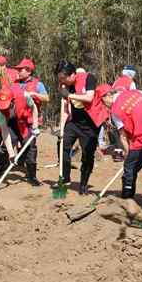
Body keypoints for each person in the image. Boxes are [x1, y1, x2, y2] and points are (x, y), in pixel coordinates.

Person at [99, 85, 142, 205]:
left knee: (129, 169)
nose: (103, 104)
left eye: (102, 101)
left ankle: (127, 200)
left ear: (108, 96)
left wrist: (128, 154)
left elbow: (123, 136)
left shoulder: (115, 111)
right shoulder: (136, 92)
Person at [55, 60, 109, 195]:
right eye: (59, 78)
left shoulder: (89, 78)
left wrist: (69, 94)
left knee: (87, 155)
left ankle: (83, 185)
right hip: (75, 122)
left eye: (63, 78)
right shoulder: (64, 85)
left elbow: (89, 98)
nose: (62, 81)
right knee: (62, 144)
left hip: (91, 124)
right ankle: (65, 178)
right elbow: (66, 108)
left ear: (73, 74)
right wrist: (62, 127)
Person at [0, 86, 41, 189]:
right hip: (1, 122)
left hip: (19, 119)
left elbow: (34, 108)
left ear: (13, 101)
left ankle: (32, 177)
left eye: (6, 106)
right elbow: (4, 131)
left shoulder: (24, 96)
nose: (4, 108)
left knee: (29, 143)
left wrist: (35, 125)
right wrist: (11, 153)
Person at [14, 58, 49, 124]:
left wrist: (34, 94)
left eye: (21, 70)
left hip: (32, 120)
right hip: (17, 119)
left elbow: (46, 98)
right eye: (18, 70)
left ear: (29, 71)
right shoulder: (15, 83)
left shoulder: (38, 84)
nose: (18, 72)